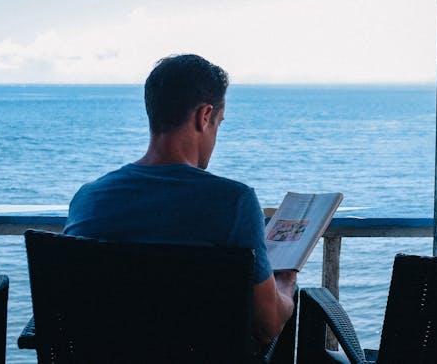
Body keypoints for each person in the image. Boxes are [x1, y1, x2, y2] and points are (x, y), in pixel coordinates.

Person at [64, 53, 296, 344]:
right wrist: (285, 286)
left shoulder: (88, 200)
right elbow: (267, 326)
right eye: (219, 124)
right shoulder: (234, 202)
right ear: (205, 116)